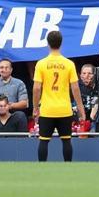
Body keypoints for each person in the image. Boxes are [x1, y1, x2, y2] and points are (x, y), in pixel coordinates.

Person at [32, 29, 85, 162]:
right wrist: (80, 108)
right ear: (61, 44)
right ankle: (68, 168)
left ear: (48, 44)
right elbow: (75, 88)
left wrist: (35, 107)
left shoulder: (41, 64)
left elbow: (37, 88)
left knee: (44, 141)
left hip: (47, 109)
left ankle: (41, 169)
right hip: (64, 109)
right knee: (66, 141)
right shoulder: (68, 64)